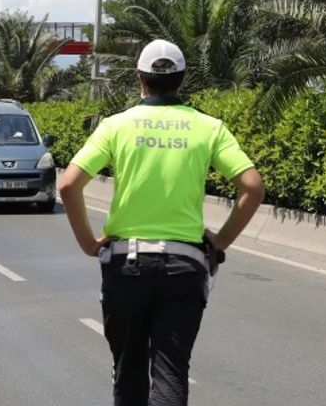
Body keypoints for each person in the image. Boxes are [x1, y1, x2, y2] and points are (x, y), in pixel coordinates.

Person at [58, 39, 265, 406]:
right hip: (185, 267)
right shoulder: (209, 127)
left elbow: (69, 184)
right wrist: (219, 243)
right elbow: (252, 187)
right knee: (171, 373)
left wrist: (89, 243)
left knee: (129, 371)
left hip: (126, 265)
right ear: (181, 81)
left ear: (140, 78)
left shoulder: (116, 126)